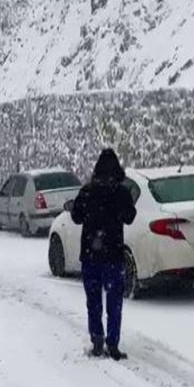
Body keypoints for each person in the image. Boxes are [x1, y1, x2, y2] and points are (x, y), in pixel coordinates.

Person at [70, 148, 137, 360]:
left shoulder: (87, 192)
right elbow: (130, 217)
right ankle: (113, 343)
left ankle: (97, 340)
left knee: (93, 300)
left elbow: (76, 217)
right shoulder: (122, 193)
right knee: (114, 302)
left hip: (91, 255)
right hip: (114, 255)